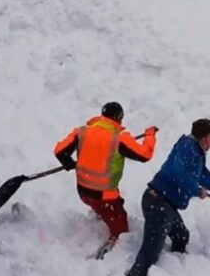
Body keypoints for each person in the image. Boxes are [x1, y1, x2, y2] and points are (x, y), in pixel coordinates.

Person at [126, 118, 210, 276]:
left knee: (181, 235)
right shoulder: (187, 147)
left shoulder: (196, 153)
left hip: (166, 205)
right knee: (150, 251)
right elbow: (181, 174)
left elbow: (203, 176)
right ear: (207, 137)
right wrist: (196, 190)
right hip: (157, 202)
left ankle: (174, 271)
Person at [54, 102, 158, 251]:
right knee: (121, 228)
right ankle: (113, 248)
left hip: (83, 191)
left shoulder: (81, 132)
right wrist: (150, 136)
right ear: (117, 117)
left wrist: (69, 163)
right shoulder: (119, 139)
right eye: (121, 118)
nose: (122, 121)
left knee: (104, 206)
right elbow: (145, 154)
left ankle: (101, 214)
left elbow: (59, 151)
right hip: (104, 196)